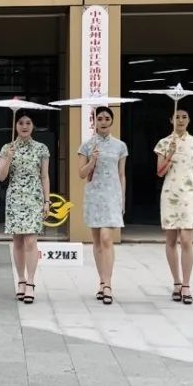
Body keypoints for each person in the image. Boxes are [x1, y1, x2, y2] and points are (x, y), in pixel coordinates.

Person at [0, 110, 50, 305]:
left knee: (30, 241)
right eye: (21, 122)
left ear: (33, 125)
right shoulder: (7, 148)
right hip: (15, 198)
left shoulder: (42, 148)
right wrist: (8, 158)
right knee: (18, 241)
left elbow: (44, 176)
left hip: (34, 198)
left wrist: (47, 201)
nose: (24, 126)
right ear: (15, 125)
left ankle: (30, 282)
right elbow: (1, 177)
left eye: (28, 122)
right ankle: (20, 279)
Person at [155, 108, 193, 305]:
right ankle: (176, 282)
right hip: (170, 194)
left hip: (190, 195)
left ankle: (186, 285)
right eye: (177, 117)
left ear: (189, 120)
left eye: (184, 117)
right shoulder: (164, 143)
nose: (181, 120)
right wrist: (169, 154)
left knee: (186, 240)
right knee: (170, 240)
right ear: (171, 120)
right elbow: (160, 172)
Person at [77, 106, 128, 305]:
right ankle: (101, 281)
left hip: (112, 195)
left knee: (107, 238)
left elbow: (121, 174)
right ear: (94, 122)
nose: (103, 122)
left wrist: (122, 198)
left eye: (107, 118)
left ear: (112, 121)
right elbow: (81, 174)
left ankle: (108, 284)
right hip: (94, 196)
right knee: (97, 241)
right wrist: (92, 160)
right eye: (100, 118)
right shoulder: (87, 145)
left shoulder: (120, 146)